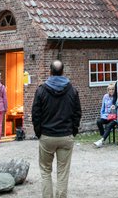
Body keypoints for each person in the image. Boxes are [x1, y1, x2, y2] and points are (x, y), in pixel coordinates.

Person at [32, 60, 82, 198]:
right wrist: (73, 130)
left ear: (50, 71)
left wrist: (39, 133)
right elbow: (77, 113)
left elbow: (36, 114)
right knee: (63, 172)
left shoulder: (41, 90)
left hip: (47, 136)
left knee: (45, 171)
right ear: (63, 72)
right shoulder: (72, 90)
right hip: (66, 135)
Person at [93, 83, 118, 147]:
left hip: (114, 117)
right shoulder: (105, 96)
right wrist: (102, 116)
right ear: (108, 90)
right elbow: (102, 108)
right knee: (99, 122)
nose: (111, 91)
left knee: (108, 126)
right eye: (110, 89)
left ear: (115, 90)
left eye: (113, 89)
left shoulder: (117, 97)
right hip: (106, 116)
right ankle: (103, 136)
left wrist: (114, 107)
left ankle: (101, 141)